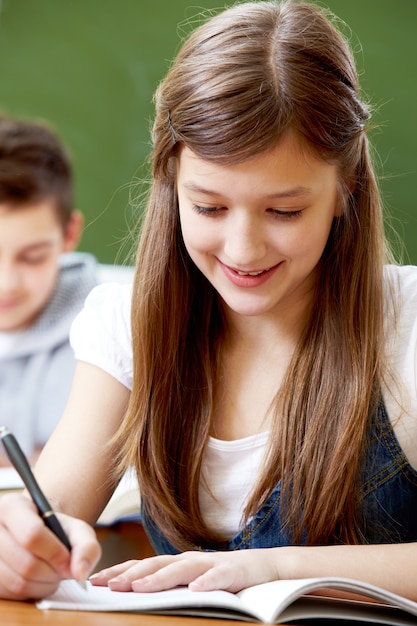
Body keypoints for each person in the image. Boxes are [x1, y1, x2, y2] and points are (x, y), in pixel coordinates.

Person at [0, 0, 416, 603]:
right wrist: (22, 550)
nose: (243, 249)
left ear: (344, 189)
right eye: (209, 207)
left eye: (284, 211)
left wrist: (272, 569)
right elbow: (49, 516)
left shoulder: (405, 326)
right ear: (171, 183)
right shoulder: (125, 327)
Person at [0, 116, 98, 463]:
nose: (6, 283)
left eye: (33, 257)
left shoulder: (100, 325)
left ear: (70, 235)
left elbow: (86, 460)